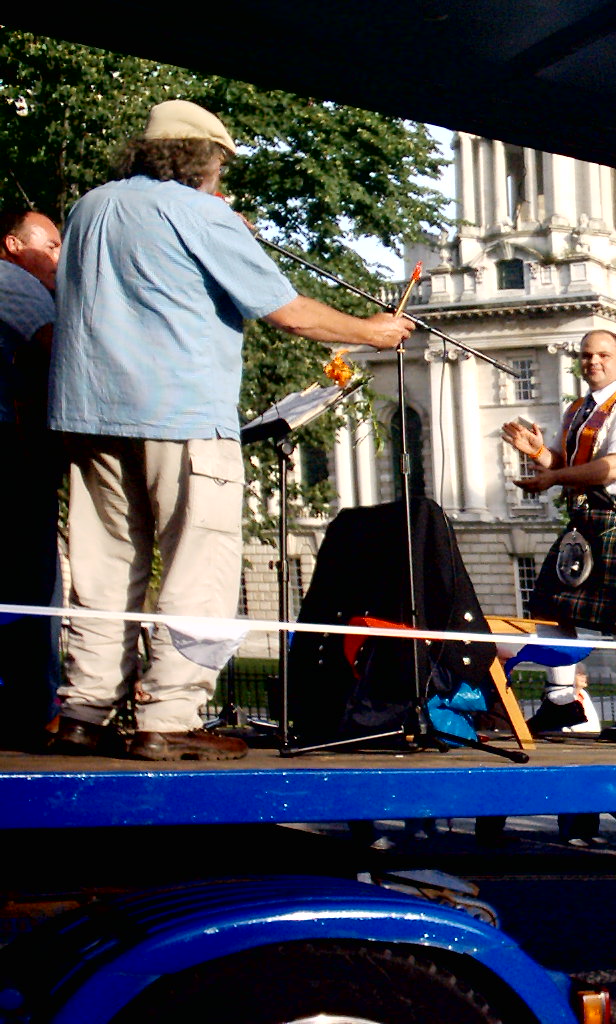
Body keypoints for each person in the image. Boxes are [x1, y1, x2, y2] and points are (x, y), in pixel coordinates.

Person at [48, 99, 414, 760]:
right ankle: (169, 713)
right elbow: (291, 313)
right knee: (199, 561)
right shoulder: (201, 212)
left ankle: (84, 708)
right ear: (199, 159)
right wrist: (374, 331)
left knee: (102, 568)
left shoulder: (89, 207)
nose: (221, 176)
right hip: (179, 413)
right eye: (218, 164)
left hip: (85, 411)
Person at [501, 329, 616, 742]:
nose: (592, 362)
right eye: (585, 355)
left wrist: (553, 476)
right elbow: (570, 461)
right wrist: (540, 455)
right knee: (549, 608)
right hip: (587, 521)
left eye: (602, 355)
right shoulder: (580, 409)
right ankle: (563, 701)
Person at [0, 209, 63, 751]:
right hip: (13, 453)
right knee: (32, 583)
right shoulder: (13, 280)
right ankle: (33, 711)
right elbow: (58, 350)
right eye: (53, 245)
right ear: (14, 244)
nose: (59, 258)